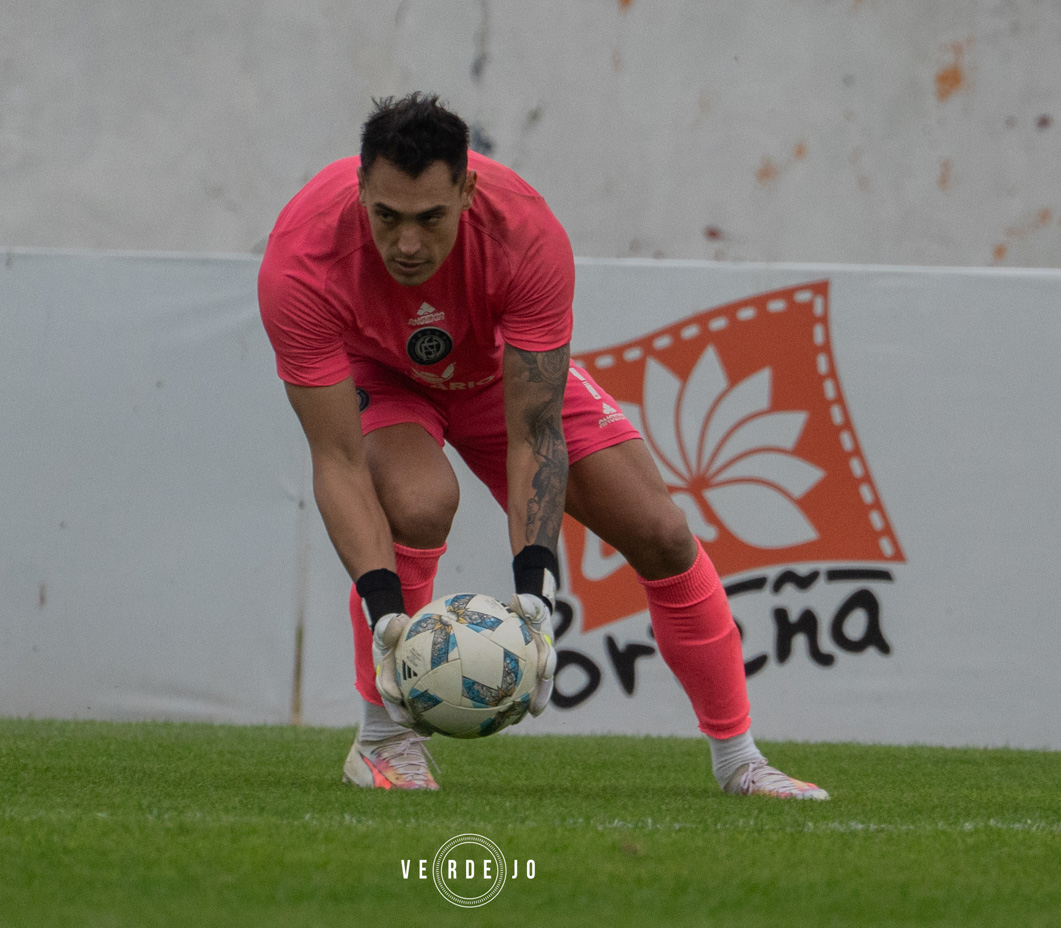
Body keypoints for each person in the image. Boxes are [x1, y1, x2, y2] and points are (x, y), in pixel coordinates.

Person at [257, 93, 828, 799]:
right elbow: (337, 461)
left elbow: (535, 431)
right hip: (381, 373)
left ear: (466, 190)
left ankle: (741, 762)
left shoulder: (525, 232)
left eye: (430, 219)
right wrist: (383, 614)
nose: (407, 244)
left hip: (497, 379)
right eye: (387, 217)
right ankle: (383, 742)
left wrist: (536, 598)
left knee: (662, 533)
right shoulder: (300, 261)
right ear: (361, 191)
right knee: (419, 502)